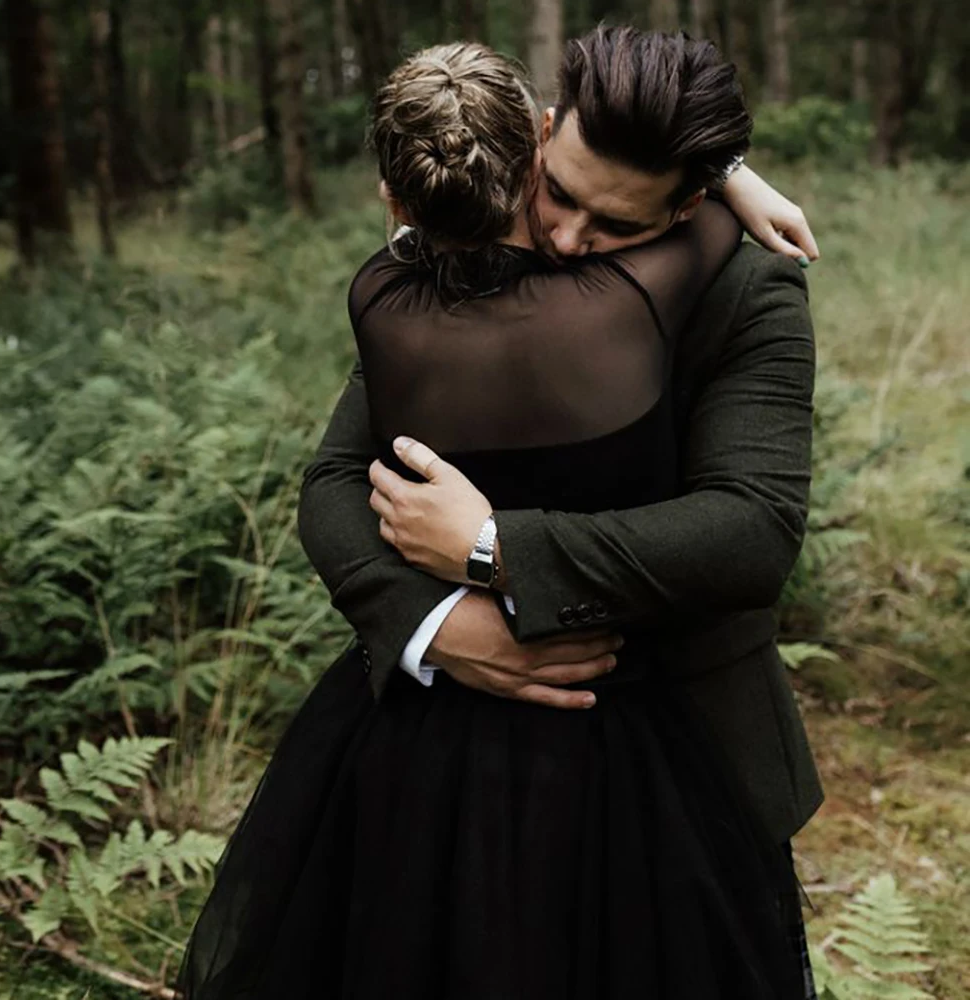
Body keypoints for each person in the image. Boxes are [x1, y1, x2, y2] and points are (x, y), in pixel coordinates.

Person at [178, 30, 821, 1000]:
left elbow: (750, 530)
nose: (563, 239)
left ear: (688, 203)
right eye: (557, 192)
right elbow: (335, 482)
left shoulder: (746, 277)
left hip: (675, 745)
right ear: (540, 135)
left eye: (614, 226)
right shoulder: (462, 240)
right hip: (433, 744)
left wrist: (491, 549)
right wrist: (440, 626)